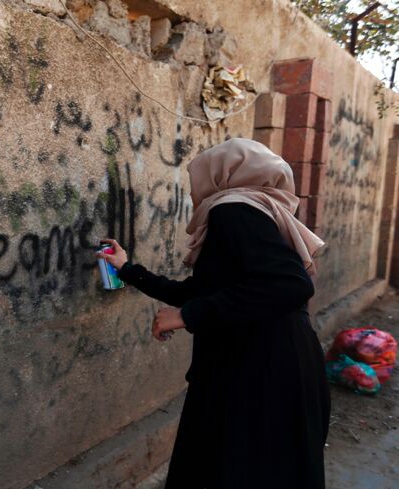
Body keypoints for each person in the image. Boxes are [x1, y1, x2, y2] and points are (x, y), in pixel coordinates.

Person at [98, 138, 330, 489]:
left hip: (258, 374)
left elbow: (289, 285)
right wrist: (128, 270)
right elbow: (208, 289)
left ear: (222, 173)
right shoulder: (259, 209)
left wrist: (189, 316)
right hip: (275, 366)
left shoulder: (233, 209)